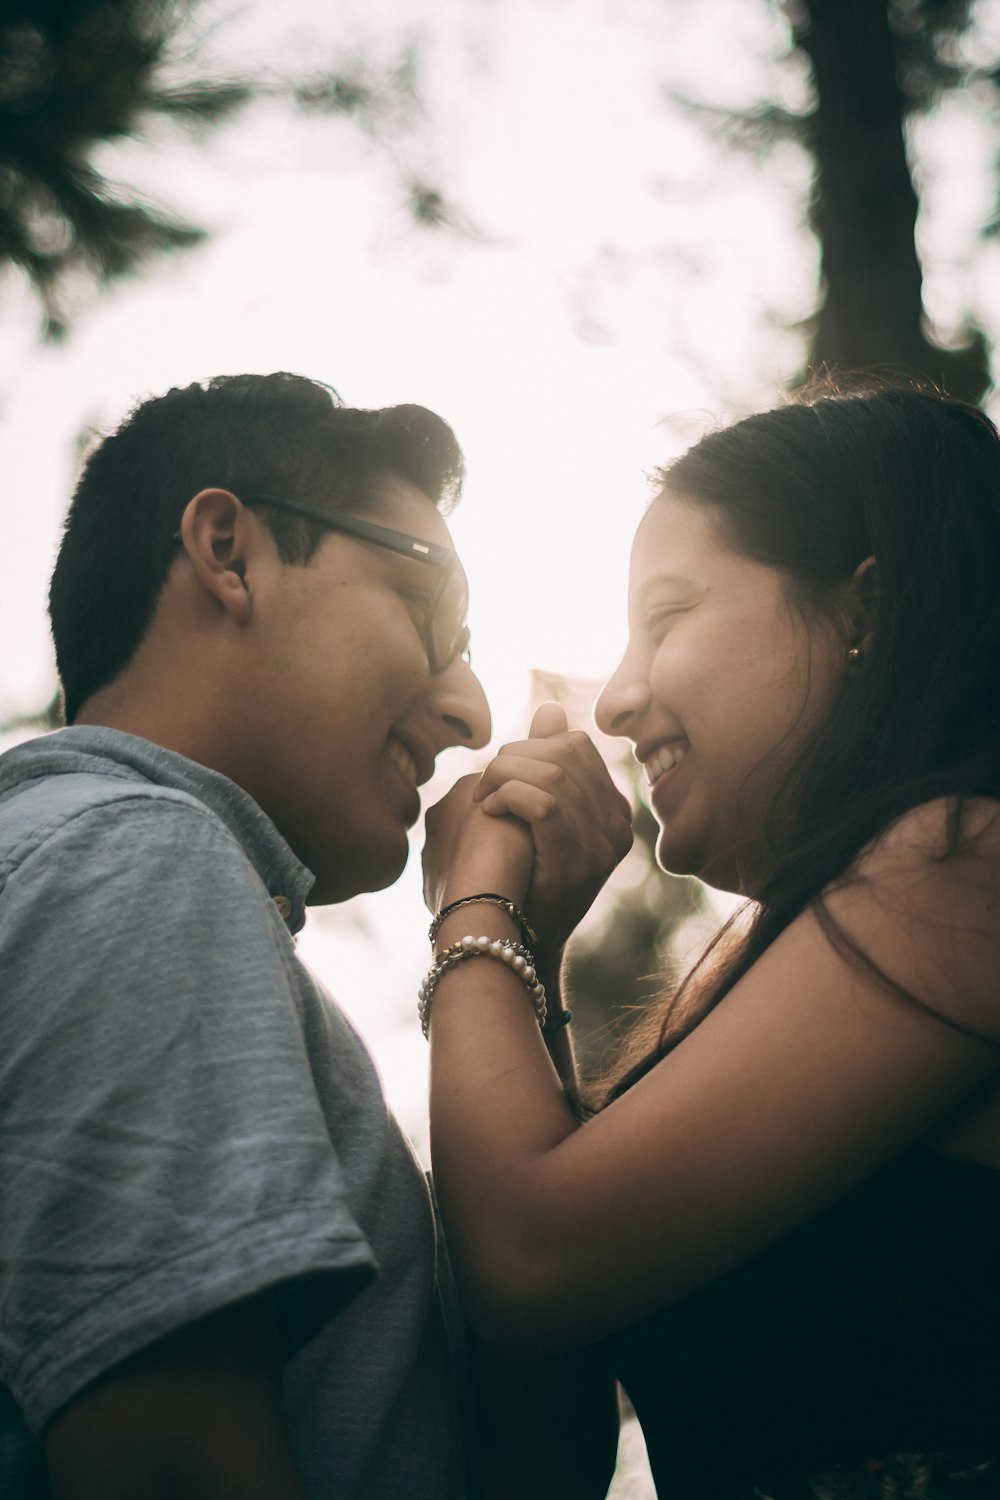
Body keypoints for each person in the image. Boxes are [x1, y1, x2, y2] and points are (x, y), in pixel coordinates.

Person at [420, 385, 1000, 1499]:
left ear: (861, 613)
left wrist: (473, 907)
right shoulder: (798, 953)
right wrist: (525, 961)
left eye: (668, 616)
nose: (622, 698)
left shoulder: (961, 863)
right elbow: (544, 1435)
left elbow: (531, 1261)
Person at [0, 371, 499, 1500]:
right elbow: (171, 1464)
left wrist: (502, 930)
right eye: (431, 613)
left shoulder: (117, 870)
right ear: (227, 552)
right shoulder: (133, 858)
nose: (473, 712)